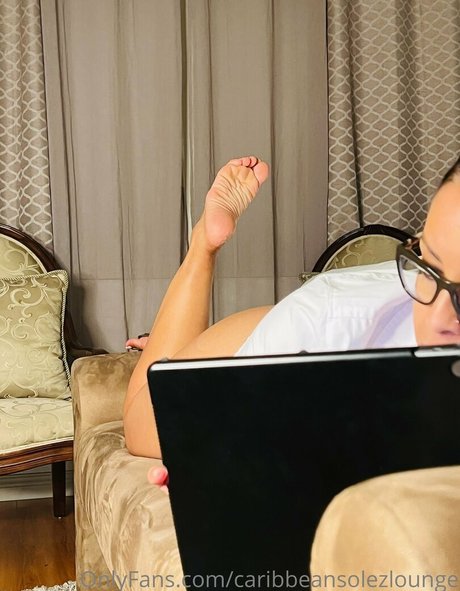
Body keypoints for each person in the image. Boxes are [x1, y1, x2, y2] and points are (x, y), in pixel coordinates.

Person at [123, 155, 460, 579]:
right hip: (289, 329)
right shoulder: (323, 322)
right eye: (428, 265)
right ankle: (202, 247)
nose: (438, 319)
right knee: (143, 421)